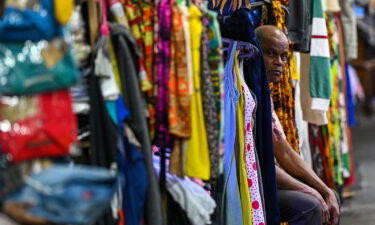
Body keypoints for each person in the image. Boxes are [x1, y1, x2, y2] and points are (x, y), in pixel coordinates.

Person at [255, 25, 340, 225]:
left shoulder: (263, 94)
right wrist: (309, 191)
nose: (278, 62)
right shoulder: (246, 96)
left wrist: (324, 190)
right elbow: (261, 162)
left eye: (284, 56)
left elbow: (283, 151)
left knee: (330, 196)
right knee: (310, 205)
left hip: (267, 176)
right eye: (270, 53)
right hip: (250, 183)